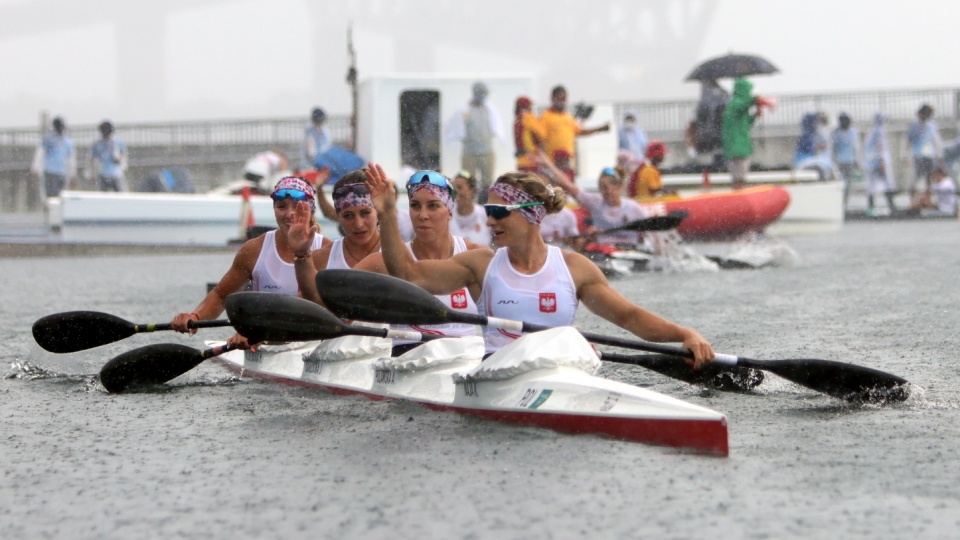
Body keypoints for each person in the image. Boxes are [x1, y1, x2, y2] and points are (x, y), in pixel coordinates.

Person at [362, 163, 715, 369]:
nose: (491, 222)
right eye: (488, 213)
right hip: (499, 377)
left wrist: (685, 334)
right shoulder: (480, 265)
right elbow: (409, 274)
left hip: (559, 373)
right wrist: (389, 214)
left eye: (499, 213)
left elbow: (630, 318)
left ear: (531, 215)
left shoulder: (576, 269)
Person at [332, 170, 491, 356]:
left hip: (466, 357)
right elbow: (338, 313)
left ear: (449, 211)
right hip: (409, 360)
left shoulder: (476, 256)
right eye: (415, 206)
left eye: (433, 206)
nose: (423, 215)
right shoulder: (384, 262)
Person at [170, 176, 331, 348]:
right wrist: (195, 317)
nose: (289, 214)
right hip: (267, 345)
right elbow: (221, 296)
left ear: (310, 211)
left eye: (297, 207)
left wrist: (257, 331)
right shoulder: (254, 249)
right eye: (281, 206)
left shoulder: (327, 249)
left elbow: (329, 308)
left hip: (312, 343)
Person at [539, 154, 649, 247]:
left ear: (619, 186)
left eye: (607, 187)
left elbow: (647, 238)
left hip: (629, 251)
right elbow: (569, 186)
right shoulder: (596, 202)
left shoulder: (635, 209)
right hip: (604, 253)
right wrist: (548, 164)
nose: (604, 191)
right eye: (601, 187)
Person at [444, 81, 504, 201]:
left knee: (487, 182)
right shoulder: (465, 110)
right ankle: (468, 204)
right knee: (468, 181)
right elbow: (456, 127)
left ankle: (484, 205)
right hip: (470, 153)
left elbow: (496, 126)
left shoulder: (489, 109)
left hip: (487, 152)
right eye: (483, 92)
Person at [539, 85, 610, 174]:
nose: (561, 102)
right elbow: (539, 138)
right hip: (552, 163)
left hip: (568, 162)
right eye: (559, 99)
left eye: (563, 99)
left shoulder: (568, 116)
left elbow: (579, 131)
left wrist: (599, 129)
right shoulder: (545, 116)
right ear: (552, 98)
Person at [721, 78, 759, 189]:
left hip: (739, 145)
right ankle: (738, 196)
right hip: (737, 146)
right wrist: (755, 100)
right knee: (739, 177)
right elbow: (745, 103)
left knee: (740, 176)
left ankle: (739, 192)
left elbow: (746, 122)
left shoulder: (735, 106)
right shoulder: (735, 103)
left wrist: (755, 115)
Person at [30, 116, 76, 198]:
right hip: (50, 171)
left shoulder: (67, 142)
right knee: (50, 195)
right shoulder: (49, 139)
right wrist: (35, 167)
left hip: (62, 172)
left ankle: (56, 210)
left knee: (60, 196)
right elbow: (40, 153)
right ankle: (50, 209)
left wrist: (72, 174)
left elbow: (71, 159)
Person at [687, 79, 729, 168]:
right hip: (715, 141)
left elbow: (692, 125)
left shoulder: (705, 103)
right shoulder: (723, 98)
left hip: (710, 140)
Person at [905, 104, 944, 198]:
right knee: (915, 178)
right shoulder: (913, 126)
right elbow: (908, 141)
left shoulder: (931, 125)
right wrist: (905, 156)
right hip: (918, 155)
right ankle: (912, 199)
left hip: (929, 155)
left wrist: (939, 156)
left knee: (929, 179)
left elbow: (935, 141)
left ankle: (927, 199)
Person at [862, 113, 898, 215]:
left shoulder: (871, 132)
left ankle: (871, 206)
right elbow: (880, 146)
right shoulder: (879, 131)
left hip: (871, 162)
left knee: (871, 185)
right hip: (879, 161)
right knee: (888, 183)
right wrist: (882, 161)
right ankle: (891, 205)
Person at [449, 170, 492, 246]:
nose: (456, 192)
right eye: (453, 189)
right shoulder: (447, 215)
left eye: (459, 187)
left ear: (473, 191)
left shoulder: (485, 215)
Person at [87, 121, 128, 192]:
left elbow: (124, 155)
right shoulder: (98, 144)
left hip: (116, 174)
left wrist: (120, 160)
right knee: (102, 196)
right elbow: (92, 159)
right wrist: (92, 173)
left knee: (122, 195)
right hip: (103, 174)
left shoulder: (118, 142)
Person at [794, 113, 835, 180]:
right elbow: (812, 149)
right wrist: (823, 146)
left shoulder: (815, 135)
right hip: (804, 162)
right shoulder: (806, 137)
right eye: (815, 122)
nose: (817, 124)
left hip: (810, 161)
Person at [513, 96, 547, 173]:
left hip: (521, 161)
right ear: (526, 106)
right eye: (530, 105)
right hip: (531, 160)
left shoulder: (516, 119)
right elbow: (542, 134)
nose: (531, 108)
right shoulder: (528, 117)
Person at [831, 112, 861, 182]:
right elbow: (833, 148)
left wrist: (857, 161)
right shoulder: (836, 132)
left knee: (851, 180)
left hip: (851, 160)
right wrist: (834, 161)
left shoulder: (853, 131)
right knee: (842, 180)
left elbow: (856, 147)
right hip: (841, 161)